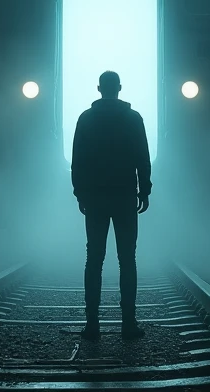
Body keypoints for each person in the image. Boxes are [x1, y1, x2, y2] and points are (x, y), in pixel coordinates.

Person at [71, 70, 151, 341]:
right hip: (125, 196)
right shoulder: (133, 118)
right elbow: (143, 156)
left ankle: (92, 324)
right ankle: (128, 323)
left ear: (98, 89)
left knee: (94, 259)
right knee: (127, 260)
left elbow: (77, 159)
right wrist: (145, 189)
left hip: (95, 197)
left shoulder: (86, 119)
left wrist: (80, 192)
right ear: (119, 88)